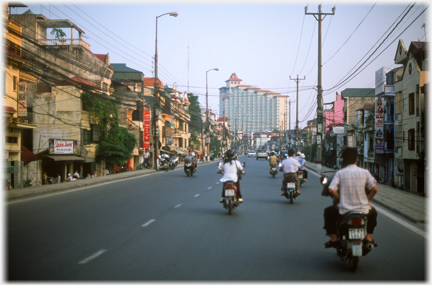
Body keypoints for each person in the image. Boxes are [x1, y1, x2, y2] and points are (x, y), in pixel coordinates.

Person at [323, 147, 378, 248]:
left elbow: (331, 189)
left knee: (328, 212)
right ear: (357, 159)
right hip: (363, 209)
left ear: (343, 161)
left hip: (344, 210)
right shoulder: (365, 172)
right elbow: (374, 189)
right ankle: (368, 237)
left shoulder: (340, 173)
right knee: (373, 213)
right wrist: (366, 201)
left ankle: (334, 237)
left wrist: (340, 200)